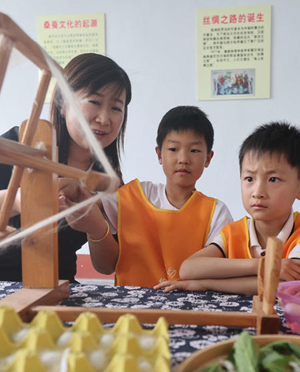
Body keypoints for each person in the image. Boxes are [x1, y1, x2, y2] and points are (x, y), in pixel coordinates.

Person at [0, 53, 131, 282]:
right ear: (63, 104)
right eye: (94, 102)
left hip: (60, 287)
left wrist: (97, 228)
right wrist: (17, 201)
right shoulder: (19, 146)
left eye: (116, 108)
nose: (104, 119)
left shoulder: (107, 180)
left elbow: (107, 267)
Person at [157, 121, 300, 295]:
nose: (258, 192)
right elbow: (189, 269)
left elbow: (284, 285)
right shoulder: (233, 233)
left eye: (273, 179)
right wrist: (264, 266)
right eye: (249, 179)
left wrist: (206, 283)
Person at [63, 106, 233, 286]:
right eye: (174, 149)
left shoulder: (216, 213)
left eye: (194, 151)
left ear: (208, 158)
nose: (183, 158)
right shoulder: (136, 195)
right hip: (133, 308)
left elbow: (221, 268)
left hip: (189, 310)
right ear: (159, 154)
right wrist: (75, 190)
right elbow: (93, 205)